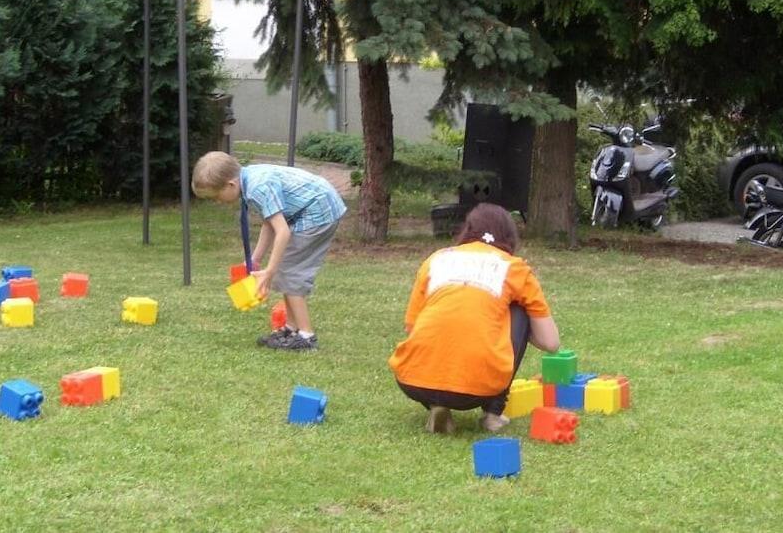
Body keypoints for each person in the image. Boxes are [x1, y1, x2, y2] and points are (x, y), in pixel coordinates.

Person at [388, 203, 561, 433]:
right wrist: (505, 323)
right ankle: (493, 413)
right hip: (477, 390)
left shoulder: (436, 259)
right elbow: (551, 343)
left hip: (411, 381)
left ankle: (436, 405)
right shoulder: (514, 268)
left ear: (466, 230)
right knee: (520, 310)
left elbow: (412, 327)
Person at [191, 151, 346, 351]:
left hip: (318, 212)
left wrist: (269, 271)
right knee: (285, 271)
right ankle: (291, 329)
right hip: (314, 208)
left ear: (231, 185)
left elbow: (282, 232)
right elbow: (269, 223)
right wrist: (254, 260)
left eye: (216, 196)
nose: (218, 201)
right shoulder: (249, 180)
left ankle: (307, 336)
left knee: (290, 273)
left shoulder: (257, 187)